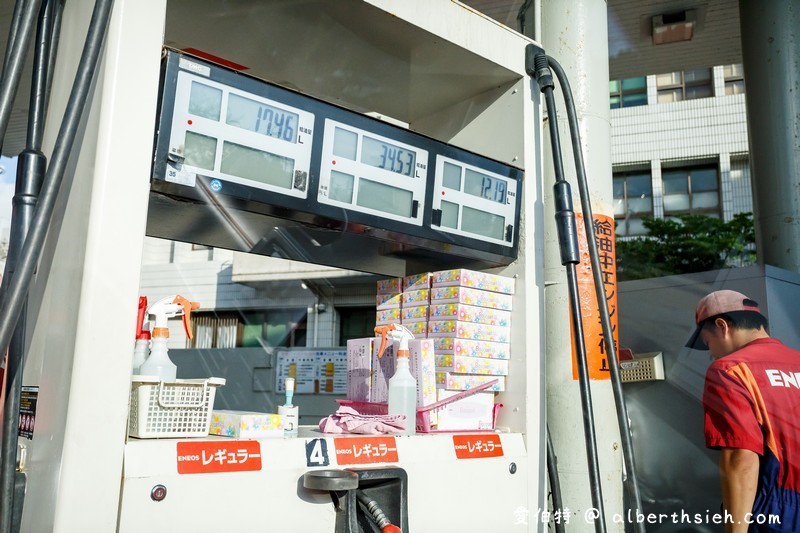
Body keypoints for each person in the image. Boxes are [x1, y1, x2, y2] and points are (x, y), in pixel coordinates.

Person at [687, 289, 800, 532]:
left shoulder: (729, 370)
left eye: (708, 343)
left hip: (778, 512)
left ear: (722, 326)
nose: (711, 354)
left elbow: (741, 459)